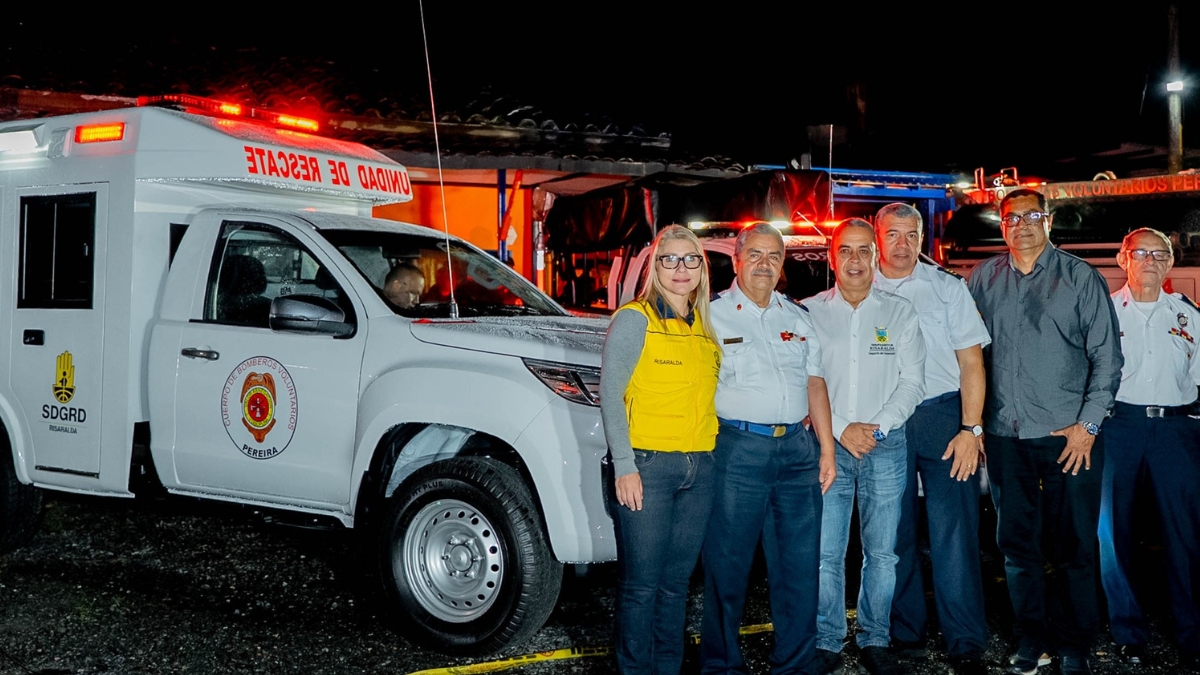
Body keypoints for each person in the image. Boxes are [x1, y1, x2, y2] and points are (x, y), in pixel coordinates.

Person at [967, 188, 1123, 675]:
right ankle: (1031, 638)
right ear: (1003, 224)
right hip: (1005, 437)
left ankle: (1077, 644)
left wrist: (1088, 426)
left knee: (1075, 546)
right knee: (1016, 546)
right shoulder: (983, 279)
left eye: (1032, 216)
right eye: (1012, 218)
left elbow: (1108, 360)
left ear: (1049, 221)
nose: (1022, 225)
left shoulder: (1080, 277)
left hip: (1068, 438)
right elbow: (963, 352)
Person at [700, 222, 837, 675]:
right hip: (737, 449)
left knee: (799, 565)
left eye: (773, 256)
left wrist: (826, 450)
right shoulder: (710, 315)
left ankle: (796, 664)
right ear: (736, 259)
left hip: (797, 452)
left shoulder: (796, 316)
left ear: (782, 265)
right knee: (728, 565)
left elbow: (814, 382)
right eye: (754, 254)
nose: (764, 263)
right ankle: (722, 665)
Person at [804, 219, 926, 675]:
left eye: (863, 251)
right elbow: (806, 384)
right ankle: (826, 640)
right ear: (832, 258)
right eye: (845, 251)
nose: (854, 260)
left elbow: (913, 382)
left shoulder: (900, 313)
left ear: (875, 257)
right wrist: (837, 433)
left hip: (886, 447)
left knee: (883, 552)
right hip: (828, 450)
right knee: (826, 552)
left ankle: (875, 637)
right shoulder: (810, 312)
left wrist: (876, 428)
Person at [873, 204, 990, 675]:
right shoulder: (858, 286)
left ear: (923, 236)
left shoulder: (947, 288)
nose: (902, 244)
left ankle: (966, 641)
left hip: (944, 418)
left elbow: (971, 365)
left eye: (911, 234)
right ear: (878, 237)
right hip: (886, 421)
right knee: (892, 533)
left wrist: (971, 429)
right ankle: (905, 634)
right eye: (893, 234)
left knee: (955, 534)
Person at [600, 224, 721, 675]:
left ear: (701, 268)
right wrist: (625, 466)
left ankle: (667, 668)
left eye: (690, 259)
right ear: (656, 267)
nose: (680, 269)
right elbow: (610, 393)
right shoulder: (636, 318)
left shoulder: (706, 327)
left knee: (675, 585)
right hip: (648, 467)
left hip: (699, 470)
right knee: (641, 586)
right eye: (669, 259)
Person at [1099, 227, 1200, 670]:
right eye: (1141, 252)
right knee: (1112, 533)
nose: (1151, 261)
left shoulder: (1189, 315)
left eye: (1161, 254)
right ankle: (1128, 631)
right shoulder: (1104, 313)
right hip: (1117, 426)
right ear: (1123, 259)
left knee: (1185, 534)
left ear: (1171, 262)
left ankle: (1192, 632)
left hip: (1176, 431)